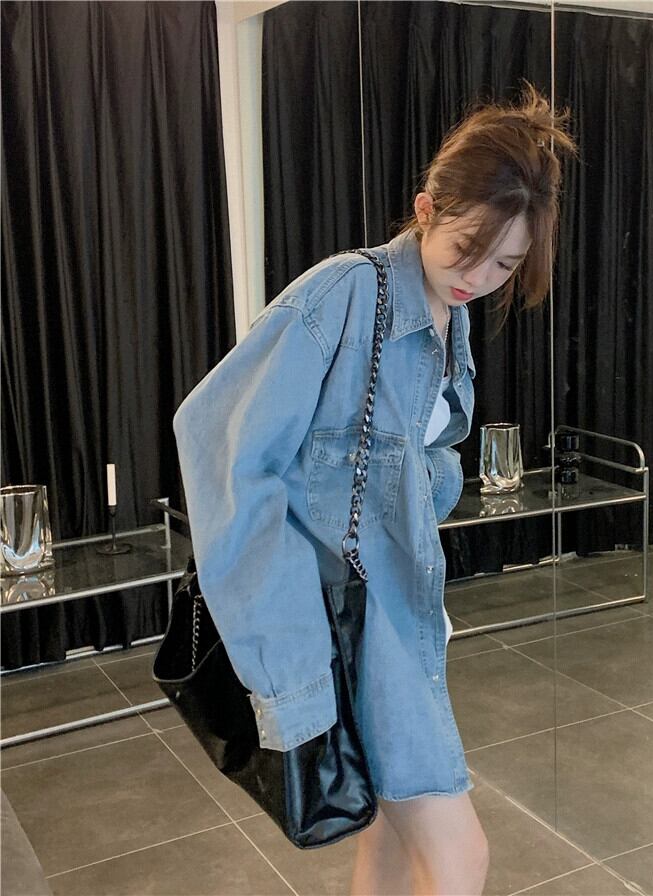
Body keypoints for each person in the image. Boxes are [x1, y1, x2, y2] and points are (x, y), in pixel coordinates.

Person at [172, 79, 575, 896]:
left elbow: (425, 464)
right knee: (460, 857)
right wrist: (289, 666)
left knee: (390, 842)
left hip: (403, 616)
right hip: (346, 627)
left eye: (505, 263)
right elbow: (219, 444)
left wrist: (426, 482)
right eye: (467, 248)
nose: (480, 277)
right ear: (426, 209)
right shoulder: (345, 294)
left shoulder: (450, 316)